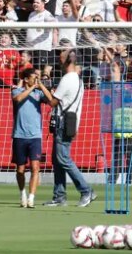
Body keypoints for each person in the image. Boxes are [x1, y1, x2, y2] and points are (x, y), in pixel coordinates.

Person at [44, 52, 96, 207]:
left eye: (61, 57)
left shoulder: (67, 79)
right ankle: (59, 195)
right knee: (58, 159)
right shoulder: (79, 80)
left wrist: (44, 88)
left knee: (63, 158)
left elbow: (53, 103)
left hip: (62, 121)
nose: (59, 60)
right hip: (71, 122)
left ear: (67, 61)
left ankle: (86, 190)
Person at [12, 68, 56, 208]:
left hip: (35, 136)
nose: (36, 79)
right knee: (20, 169)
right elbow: (18, 99)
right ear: (26, 79)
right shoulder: (17, 90)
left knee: (35, 167)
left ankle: (31, 198)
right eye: (34, 77)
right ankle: (22, 193)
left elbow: (52, 102)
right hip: (19, 135)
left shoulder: (38, 93)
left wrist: (41, 86)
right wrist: (32, 88)